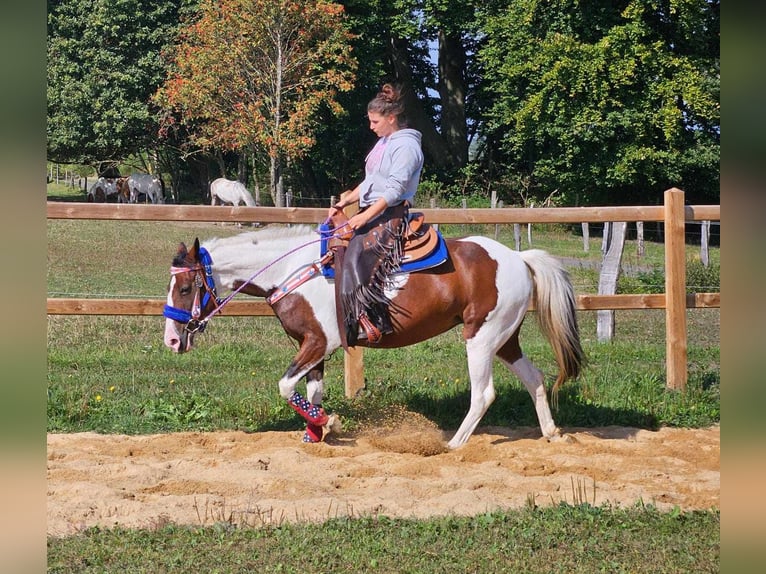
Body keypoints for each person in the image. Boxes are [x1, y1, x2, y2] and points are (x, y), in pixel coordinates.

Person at [328, 83, 424, 346]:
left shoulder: (405, 147)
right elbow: (372, 181)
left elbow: (394, 190)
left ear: (391, 118)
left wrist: (363, 216)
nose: (371, 126)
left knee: (356, 257)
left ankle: (372, 318)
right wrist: (347, 200)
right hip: (373, 210)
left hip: (388, 214)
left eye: (375, 121)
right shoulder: (385, 143)